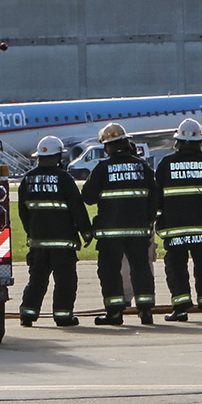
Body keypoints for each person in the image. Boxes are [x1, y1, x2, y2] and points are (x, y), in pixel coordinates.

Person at [81, 123, 158, 326]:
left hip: (110, 232)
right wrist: (148, 220)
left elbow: (87, 197)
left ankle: (114, 314)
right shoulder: (143, 167)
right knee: (141, 268)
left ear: (108, 147)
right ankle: (146, 311)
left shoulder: (102, 168)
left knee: (110, 271)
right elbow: (155, 198)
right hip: (139, 230)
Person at [17, 136, 91, 327]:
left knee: (37, 279)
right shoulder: (64, 179)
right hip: (63, 243)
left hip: (38, 243)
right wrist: (86, 232)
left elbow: (23, 211)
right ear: (58, 156)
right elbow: (77, 208)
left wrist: (31, 231)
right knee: (65, 280)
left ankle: (27, 314)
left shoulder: (28, 179)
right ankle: (63, 316)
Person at [154, 118, 202, 322]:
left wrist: (159, 221)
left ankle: (181, 309)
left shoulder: (165, 164)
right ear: (200, 141)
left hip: (175, 230)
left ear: (177, 141)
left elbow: (157, 198)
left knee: (176, 269)